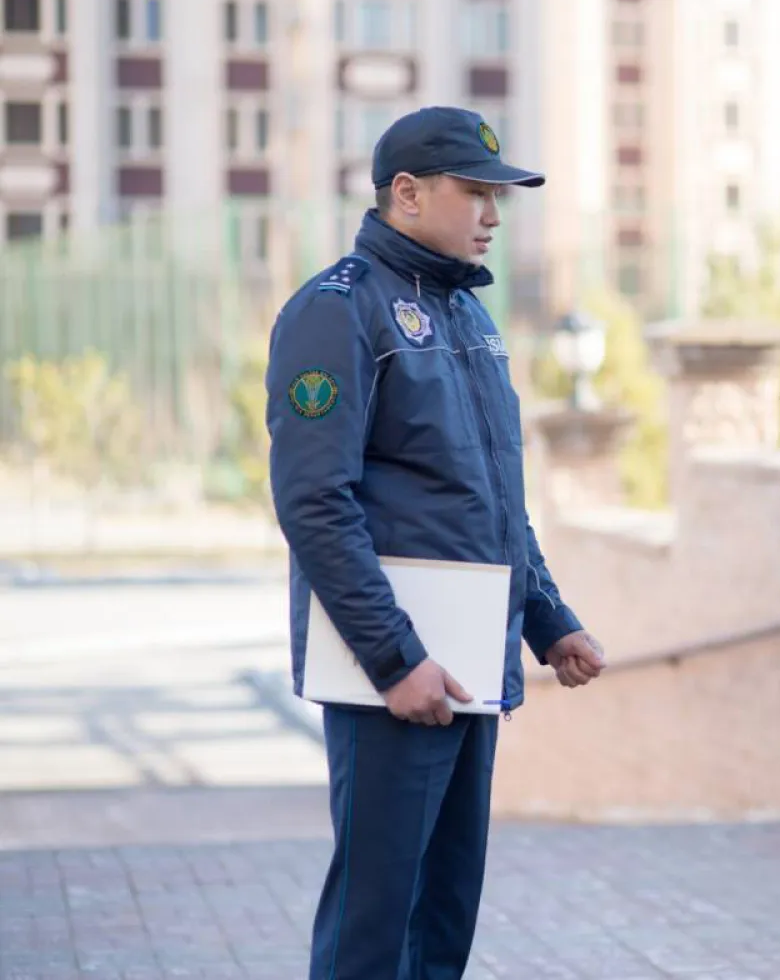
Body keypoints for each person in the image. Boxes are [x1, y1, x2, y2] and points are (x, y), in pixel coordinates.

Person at [265, 105, 607, 980]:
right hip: (399, 672)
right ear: (407, 194)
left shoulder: (469, 319)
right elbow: (315, 503)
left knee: (446, 913)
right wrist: (393, 659)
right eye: (477, 193)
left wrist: (549, 618)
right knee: (375, 922)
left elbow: (494, 497)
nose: (495, 214)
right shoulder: (336, 311)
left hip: (471, 659)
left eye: (502, 197)